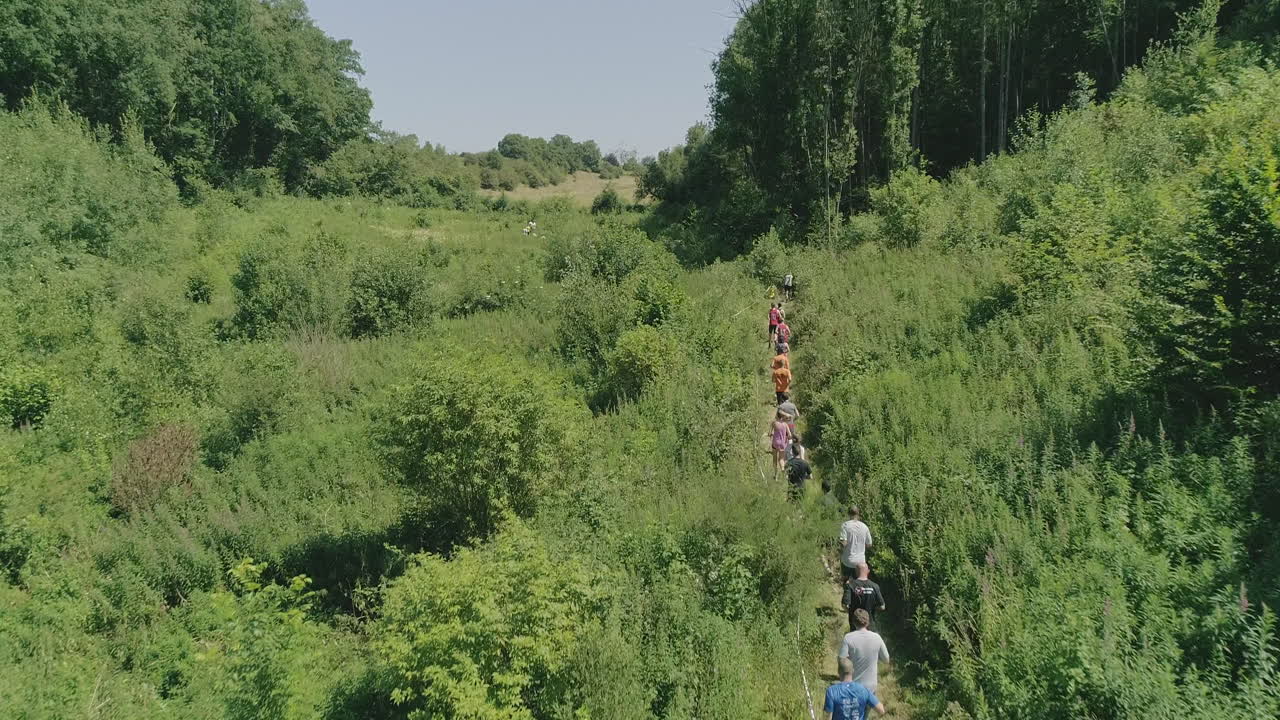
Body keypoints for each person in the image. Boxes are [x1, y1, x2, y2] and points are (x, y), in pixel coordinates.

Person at [837, 609, 890, 694]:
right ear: (868, 622)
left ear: (853, 622)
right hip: (871, 688)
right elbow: (886, 660)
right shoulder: (877, 637)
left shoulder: (848, 638)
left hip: (853, 686)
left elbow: (841, 660)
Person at [841, 563, 886, 631]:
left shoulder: (850, 585)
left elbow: (844, 605)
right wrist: (872, 609)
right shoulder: (875, 586)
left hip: (855, 624)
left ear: (856, 571)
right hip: (870, 623)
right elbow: (882, 607)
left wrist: (852, 612)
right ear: (868, 571)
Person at [839, 506, 873, 580]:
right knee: (859, 585)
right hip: (861, 562)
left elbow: (843, 543)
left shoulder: (845, 525)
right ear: (858, 514)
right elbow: (869, 544)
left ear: (848, 514)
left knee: (846, 584)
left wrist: (840, 550)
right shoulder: (864, 527)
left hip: (847, 561)